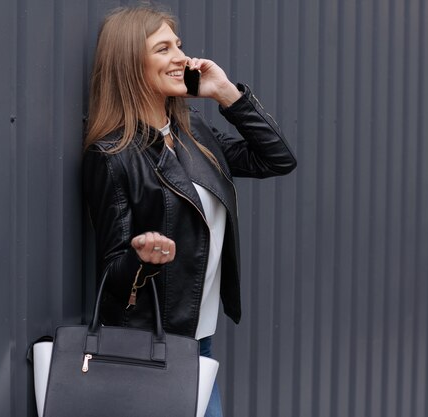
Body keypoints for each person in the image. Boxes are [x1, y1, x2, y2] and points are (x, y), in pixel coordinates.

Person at [82, 5, 297, 416]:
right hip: (150, 346)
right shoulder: (111, 156)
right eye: (163, 48)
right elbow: (112, 270)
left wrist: (226, 94)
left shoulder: (192, 132)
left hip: (199, 341)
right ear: (130, 64)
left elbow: (276, 159)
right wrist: (142, 255)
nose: (181, 56)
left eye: (178, 45)